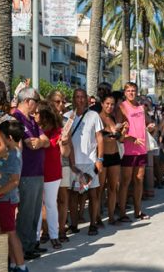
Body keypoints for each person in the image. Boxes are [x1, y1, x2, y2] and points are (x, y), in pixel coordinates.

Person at [13, 87, 49, 260]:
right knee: (26, 213)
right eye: (36, 101)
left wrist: (40, 142)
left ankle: (31, 244)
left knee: (34, 212)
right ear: (27, 101)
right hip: (26, 172)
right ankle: (23, 248)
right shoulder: (17, 118)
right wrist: (40, 142)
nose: (37, 106)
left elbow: (45, 141)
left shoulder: (32, 120)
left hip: (37, 171)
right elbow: (30, 144)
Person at [66, 89, 104, 236]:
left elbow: (99, 138)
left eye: (82, 97)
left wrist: (100, 159)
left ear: (87, 99)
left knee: (93, 194)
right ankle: (74, 225)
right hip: (73, 163)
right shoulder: (67, 116)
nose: (80, 100)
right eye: (77, 97)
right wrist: (70, 162)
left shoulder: (94, 115)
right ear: (73, 99)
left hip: (91, 162)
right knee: (73, 195)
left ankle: (93, 224)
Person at [0, 119, 27, 272]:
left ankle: (21, 265)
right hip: (5, 199)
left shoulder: (14, 155)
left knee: (11, 233)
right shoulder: (10, 152)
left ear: (10, 138)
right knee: (7, 231)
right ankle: (13, 264)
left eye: (1, 136)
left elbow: (14, 181)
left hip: (7, 198)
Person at [36, 101, 70, 249]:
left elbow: (65, 153)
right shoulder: (34, 128)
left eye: (37, 113)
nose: (34, 115)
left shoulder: (58, 130)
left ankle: (54, 236)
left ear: (45, 115)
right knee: (37, 207)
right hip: (35, 172)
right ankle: (35, 238)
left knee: (50, 204)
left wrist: (64, 143)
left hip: (52, 172)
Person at [116, 82, 150, 222]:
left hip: (142, 148)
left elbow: (148, 122)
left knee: (139, 180)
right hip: (128, 149)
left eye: (133, 90)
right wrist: (131, 138)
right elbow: (118, 131)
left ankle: (138, 211)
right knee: (125, 181)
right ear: (125, 93)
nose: (131, 93)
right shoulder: (121, 107)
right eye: (128, 90)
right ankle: (122, 213)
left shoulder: (141, 107)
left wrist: (151, 125)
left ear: (137, 92)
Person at [98, 94, 126, 225]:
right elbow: (98, 138)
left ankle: (111, 216)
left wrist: (122, 132)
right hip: (102, 156)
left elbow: (120, 139)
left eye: (112, 104)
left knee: (113, 187)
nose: (110, 106)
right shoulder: (97, 118)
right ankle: (97, 217)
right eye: (107, 104)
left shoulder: (113, 118)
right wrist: (112, 135)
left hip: (114, 155)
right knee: (99, 189)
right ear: (102, 104)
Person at [47, 90, 70, 243]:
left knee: (62, 198)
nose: (61, 104)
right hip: (47, 163)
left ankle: (61, 230)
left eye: (62, 101)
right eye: (57, 101)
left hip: (64, 163)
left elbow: (69, 147)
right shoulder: (43, 120)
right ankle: (46, 231)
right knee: (47, 200)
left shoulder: (66, 121)